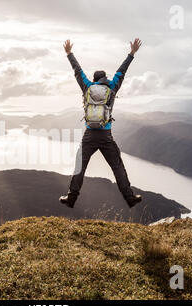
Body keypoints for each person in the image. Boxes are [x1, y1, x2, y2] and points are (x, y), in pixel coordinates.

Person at [59, 38, 143, 209]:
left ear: (94, 79)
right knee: (117, 166)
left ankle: (71, 198)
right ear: (105, 78)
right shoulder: (112, 88)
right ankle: (130, 198)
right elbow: (122, 70)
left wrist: (69, 53)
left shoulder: (88, 87)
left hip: (89, 135)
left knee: (79, 166)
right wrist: (132, 53)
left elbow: (77, 70)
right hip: (106, 136)